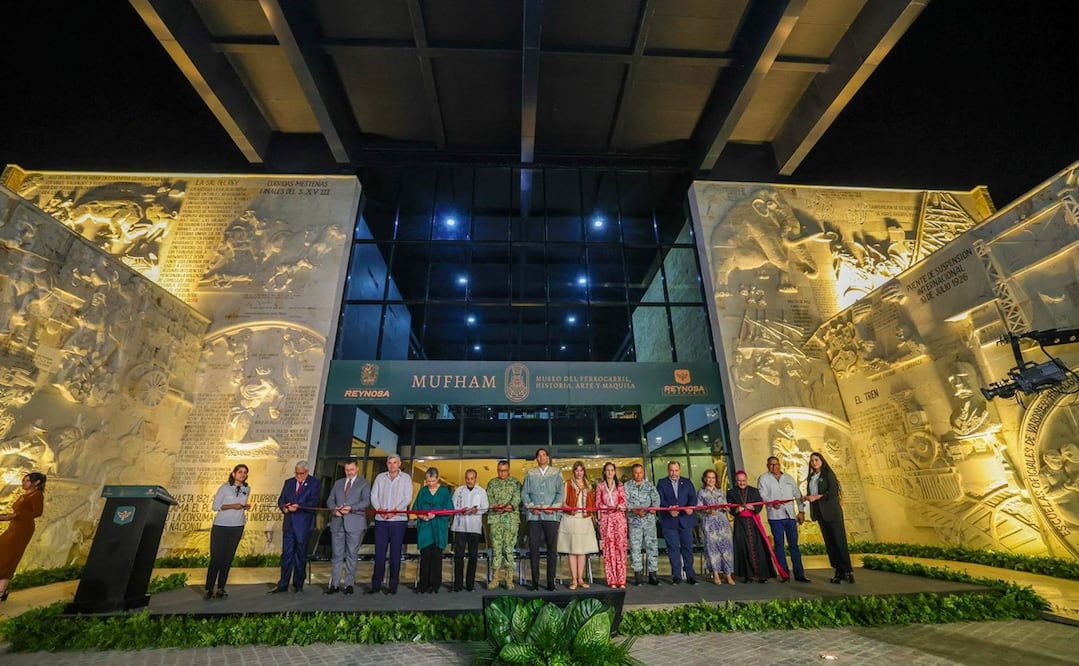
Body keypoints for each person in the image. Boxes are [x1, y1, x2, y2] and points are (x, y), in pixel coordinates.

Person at [270, 461, 321, 593]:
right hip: (289, 525)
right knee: (286, 554)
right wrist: (284, 508)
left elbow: (314, 501)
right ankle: (283, 584)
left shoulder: (314, 483)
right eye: (296, 473)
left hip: (303, 525)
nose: (298, 476)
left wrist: (298, 505)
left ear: (306, 472)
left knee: (300, 555)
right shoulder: (289, 482)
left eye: (301, 474)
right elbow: (281, 500)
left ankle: (298, 584)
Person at [804, 451, 854, 584]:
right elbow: (812, 492)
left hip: (831, 512)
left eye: (816, 460)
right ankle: (838, 570)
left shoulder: (828, 474)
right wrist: (808, 497)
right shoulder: (811, 477)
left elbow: (832, 492)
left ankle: (847, 571)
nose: (814, 462)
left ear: (821, 461)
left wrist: (817, 497)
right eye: (812, 460)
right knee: (830, 543)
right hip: (820, 513)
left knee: (839, 541)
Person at [758, 456, 809, 582]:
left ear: (780, 465)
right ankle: (784, 574)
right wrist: (771, 503)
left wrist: (801, 511)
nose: (773, 467)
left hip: (790, 516)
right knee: (779, 545)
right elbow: (762, 495)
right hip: (775, 517)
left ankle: (799, 574)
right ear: (767, 465)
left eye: (776, 464)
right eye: (771, 465)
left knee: (794, 545)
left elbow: (797, 495)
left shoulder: (788, 478)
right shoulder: (764, 479)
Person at [204, 464, 251, 599]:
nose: (242, 475)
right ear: (233, 473)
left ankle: (221, 587)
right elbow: (215, 506)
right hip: (221, 526)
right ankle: (209, 588)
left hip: (237, 525)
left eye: (245, 473)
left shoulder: (246, 488)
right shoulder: (225, 488)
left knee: (227, 558)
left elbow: (241, 503)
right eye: (240, 472)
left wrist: (244, 507)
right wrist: (232, 506)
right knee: (216, 558)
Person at [325, 458, 370, 595]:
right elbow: (330, 499)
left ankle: (349, 584)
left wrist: (351, 508)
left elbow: (366, 501)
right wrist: (334, 509)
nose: (349, 472)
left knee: (352, 554)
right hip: (337, 523)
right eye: (346, 470)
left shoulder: (364, 483)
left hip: (355, 524)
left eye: (351, 470)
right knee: (337, 555)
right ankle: (334, 584)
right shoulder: (338, 483)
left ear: (357, 469)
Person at [368, 454, 412, 595]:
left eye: (395, 463)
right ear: (387, 464)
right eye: (389, 463)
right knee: (379, 554)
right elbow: (373, 496)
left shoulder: (406, 478)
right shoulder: (380, 477)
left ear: (399, 464)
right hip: (381, 520)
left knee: (395, 554)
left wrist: (394, 511)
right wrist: (380, 509)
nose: (392, 465)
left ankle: (393, 586)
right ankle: (376, 585)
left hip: (398, 521)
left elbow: (407, 498)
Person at [522, 447, 564, 591]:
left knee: (552, 549)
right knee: (534, 548)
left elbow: (560, 494)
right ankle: (534, 581)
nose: (541, 457)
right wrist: (532, 506)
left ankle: (550, 582)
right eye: (539, 455)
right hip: (534, 516)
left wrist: (552, 507)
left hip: (551, 516)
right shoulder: (530, 473)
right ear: (536, 458)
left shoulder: (556, 473)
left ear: (547, 457)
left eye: (544, 455)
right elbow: (525, 494)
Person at [0, 472, 45, 601]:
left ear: (36, 483)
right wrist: (7, 516)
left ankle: (1, 591)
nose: (23, 483)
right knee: (4, 553)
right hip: (14, 527)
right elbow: (17, 513)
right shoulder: (24, 495)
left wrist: (15, 516)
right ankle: (3, 590)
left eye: (27, 481)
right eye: (23, 480)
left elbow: (37, 512)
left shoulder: (37, 495)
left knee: (11, 556)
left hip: (23, 529)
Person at [558, 461, 599, 590]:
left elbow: (591, 503)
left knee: (582, 551)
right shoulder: (568, 483)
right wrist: (570, 508)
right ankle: (574, 580)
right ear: (573, 471)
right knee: (572, 550)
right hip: (571, 519)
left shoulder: (588, 485)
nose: (579, 473)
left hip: (584, 520)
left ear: (584, 471)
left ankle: (581, 579)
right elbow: (562, 503)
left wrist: (593, 517)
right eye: (576, 470)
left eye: (581, 470)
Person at [412, 467, 453, 594]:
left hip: (439, 529)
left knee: (436, 557)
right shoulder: (423, 491)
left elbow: (449, 510)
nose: (430, 484)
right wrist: (423, 516)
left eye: (433, 481)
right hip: (425, 529)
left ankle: (435, 584)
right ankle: (423, 584)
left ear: (438, 478)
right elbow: (416, 508)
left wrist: (437, 515)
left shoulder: (444, 492)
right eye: (428, 481)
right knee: (425, 557)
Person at [656, 461, 697, 584]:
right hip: (669, 521)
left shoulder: (687, 482)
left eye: (676, 470)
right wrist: (668, 509)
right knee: (673, 549)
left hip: (685, 520)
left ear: (680, 470)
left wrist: (691, 507)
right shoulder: (662, 483)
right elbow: (659, 499)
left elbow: (693, 497)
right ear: (668, 470)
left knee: (688, 548)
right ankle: (676, 576)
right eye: (671, 470)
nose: (674, 473)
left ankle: (690, 575)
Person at [730, 470, 775, 583]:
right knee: (743, 547)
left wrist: (753, 508)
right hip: (741, 524)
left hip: (754, 523)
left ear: (747, 480)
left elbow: (759, 505)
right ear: (736, 481)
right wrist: (736, 509)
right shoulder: (731, 493)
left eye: (744, 480)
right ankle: (748, 575)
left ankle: (762, 575)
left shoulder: (754, 491)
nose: (742, 483)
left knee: (759, 547)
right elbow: (730, 509)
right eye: (739, 481)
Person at [451, 468, 489, 592]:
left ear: (475, 479)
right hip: (460, 527)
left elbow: (486, 507)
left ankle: (470, 584)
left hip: (474, 528)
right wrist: (461, 509)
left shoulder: (481, 491)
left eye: (472, 478)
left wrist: (477, 510)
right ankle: (457, 585)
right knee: (459, 556)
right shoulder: (459, 490)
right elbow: (453, 506)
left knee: (473, 557)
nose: (469, 481)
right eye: (467, 478)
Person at [486, 460, 521, 589]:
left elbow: (517, 497)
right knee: (496, 549)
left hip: (510, 520)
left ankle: (509, 579)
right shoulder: (492, 483)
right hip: (496, 519)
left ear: (509, 470)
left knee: (509, 549)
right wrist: (495, 506)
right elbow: (488, 497)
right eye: (500, 470)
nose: (502, 473)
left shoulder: (515, 482)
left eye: (505, 470)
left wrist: (510, 505)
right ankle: (495, 579)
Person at [696, 469, 735, 585]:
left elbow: (725, 505)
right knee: (712, 549)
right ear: (704, 479)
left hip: (722, 523)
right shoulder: (701, 492)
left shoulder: (720, 491)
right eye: (709, 477)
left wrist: (727, 508)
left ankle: (728, 575)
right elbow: (698, 509)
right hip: (709, 523)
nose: (711, 480)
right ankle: (716, 574)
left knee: (727, 548)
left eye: (713, 478)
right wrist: (707, 511)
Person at [625, 463, 660, 586]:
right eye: (636, 472)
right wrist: (634, 510)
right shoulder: (627, 486)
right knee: (635, 548)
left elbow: (656, 500)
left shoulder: (649, 486)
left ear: (643, 473)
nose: (638, 475)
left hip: (649, 521)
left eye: (640, 472)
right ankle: (638, 575)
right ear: (632, 473)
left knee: (652, 547)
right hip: (634, 521)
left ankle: (653, 574)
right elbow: (625, 502)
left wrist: (651, 509)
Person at [596, 461, 627, 588]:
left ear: (615, 472)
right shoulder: (600, 486)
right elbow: (597, 503)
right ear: (604, 472)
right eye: (607, 470)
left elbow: (624, 501)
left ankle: (622, 580)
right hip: (606, 520)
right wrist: (607, 507)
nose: (610, 472)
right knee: (609, 550)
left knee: (620, 549)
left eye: (612, 470)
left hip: (619, 520)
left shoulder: (620, 486)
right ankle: (612, 580)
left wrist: (618, 507)